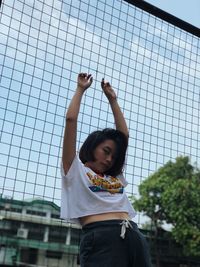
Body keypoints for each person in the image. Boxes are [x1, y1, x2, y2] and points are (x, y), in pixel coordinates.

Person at [61, 72, 152, 267]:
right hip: (101, 236)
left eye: (113, 155)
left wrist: (113, 100)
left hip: (133, 235)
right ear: (93, 146)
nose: (110, 159)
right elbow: (70, 120)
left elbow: (123, 136)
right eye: (106, 151)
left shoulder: (113, 176)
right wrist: (80, 89)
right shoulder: (75, 170)